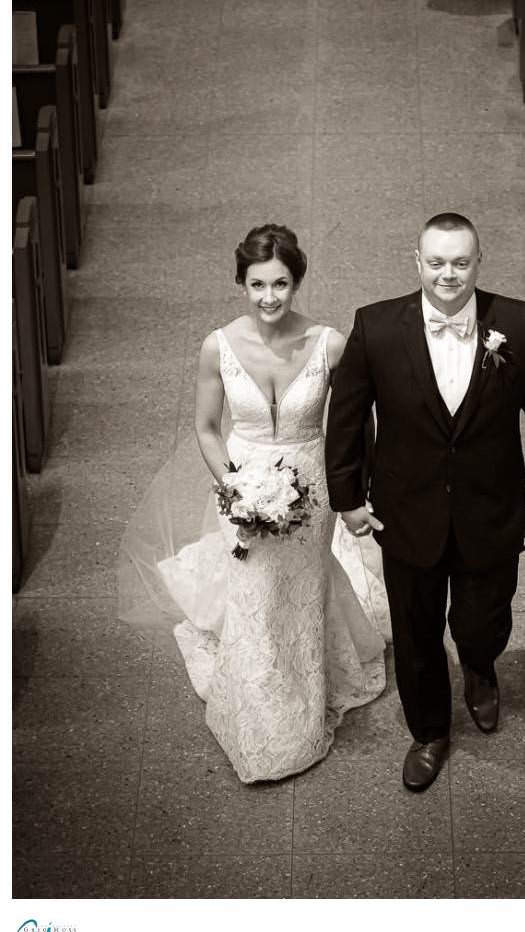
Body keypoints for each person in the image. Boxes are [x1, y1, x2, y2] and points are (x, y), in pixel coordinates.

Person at [117, 224, 389, 783]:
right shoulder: (217, 346)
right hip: (241, 482)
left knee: (304, 581)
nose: (270, 298)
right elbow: (207, 429)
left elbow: (360, 422)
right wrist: (234, 488)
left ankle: (309, 683)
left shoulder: (330, 344)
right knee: (256, 589)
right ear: (241, 283)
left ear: (298, 282)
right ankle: (262, 707)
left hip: (310, 485)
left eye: (282, 284)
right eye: (258, 285)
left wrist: (352, 489)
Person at [325, 212, 525, 792]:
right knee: (415, 633)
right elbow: (348, 418)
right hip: (406, 512)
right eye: (437, 262)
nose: (449, 274)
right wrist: (347, 498)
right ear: (418, 262)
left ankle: (481, 667)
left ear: (478, 262)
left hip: (492, 508)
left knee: (483, 622)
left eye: (461, 262)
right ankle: (429, 732)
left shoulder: (522, 325)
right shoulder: (376, 327)